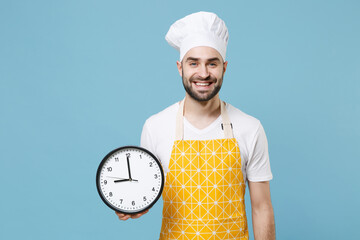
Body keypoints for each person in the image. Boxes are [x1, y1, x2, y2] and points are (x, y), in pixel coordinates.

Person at [116, 11, 275, 240]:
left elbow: (262, 208)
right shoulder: (155, 126)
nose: (203, 73)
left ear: (224, 68)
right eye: (194, 63)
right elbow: (144, 193)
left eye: (212, 63)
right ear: (180, 68)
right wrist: (130, 205)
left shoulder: (250, 128)